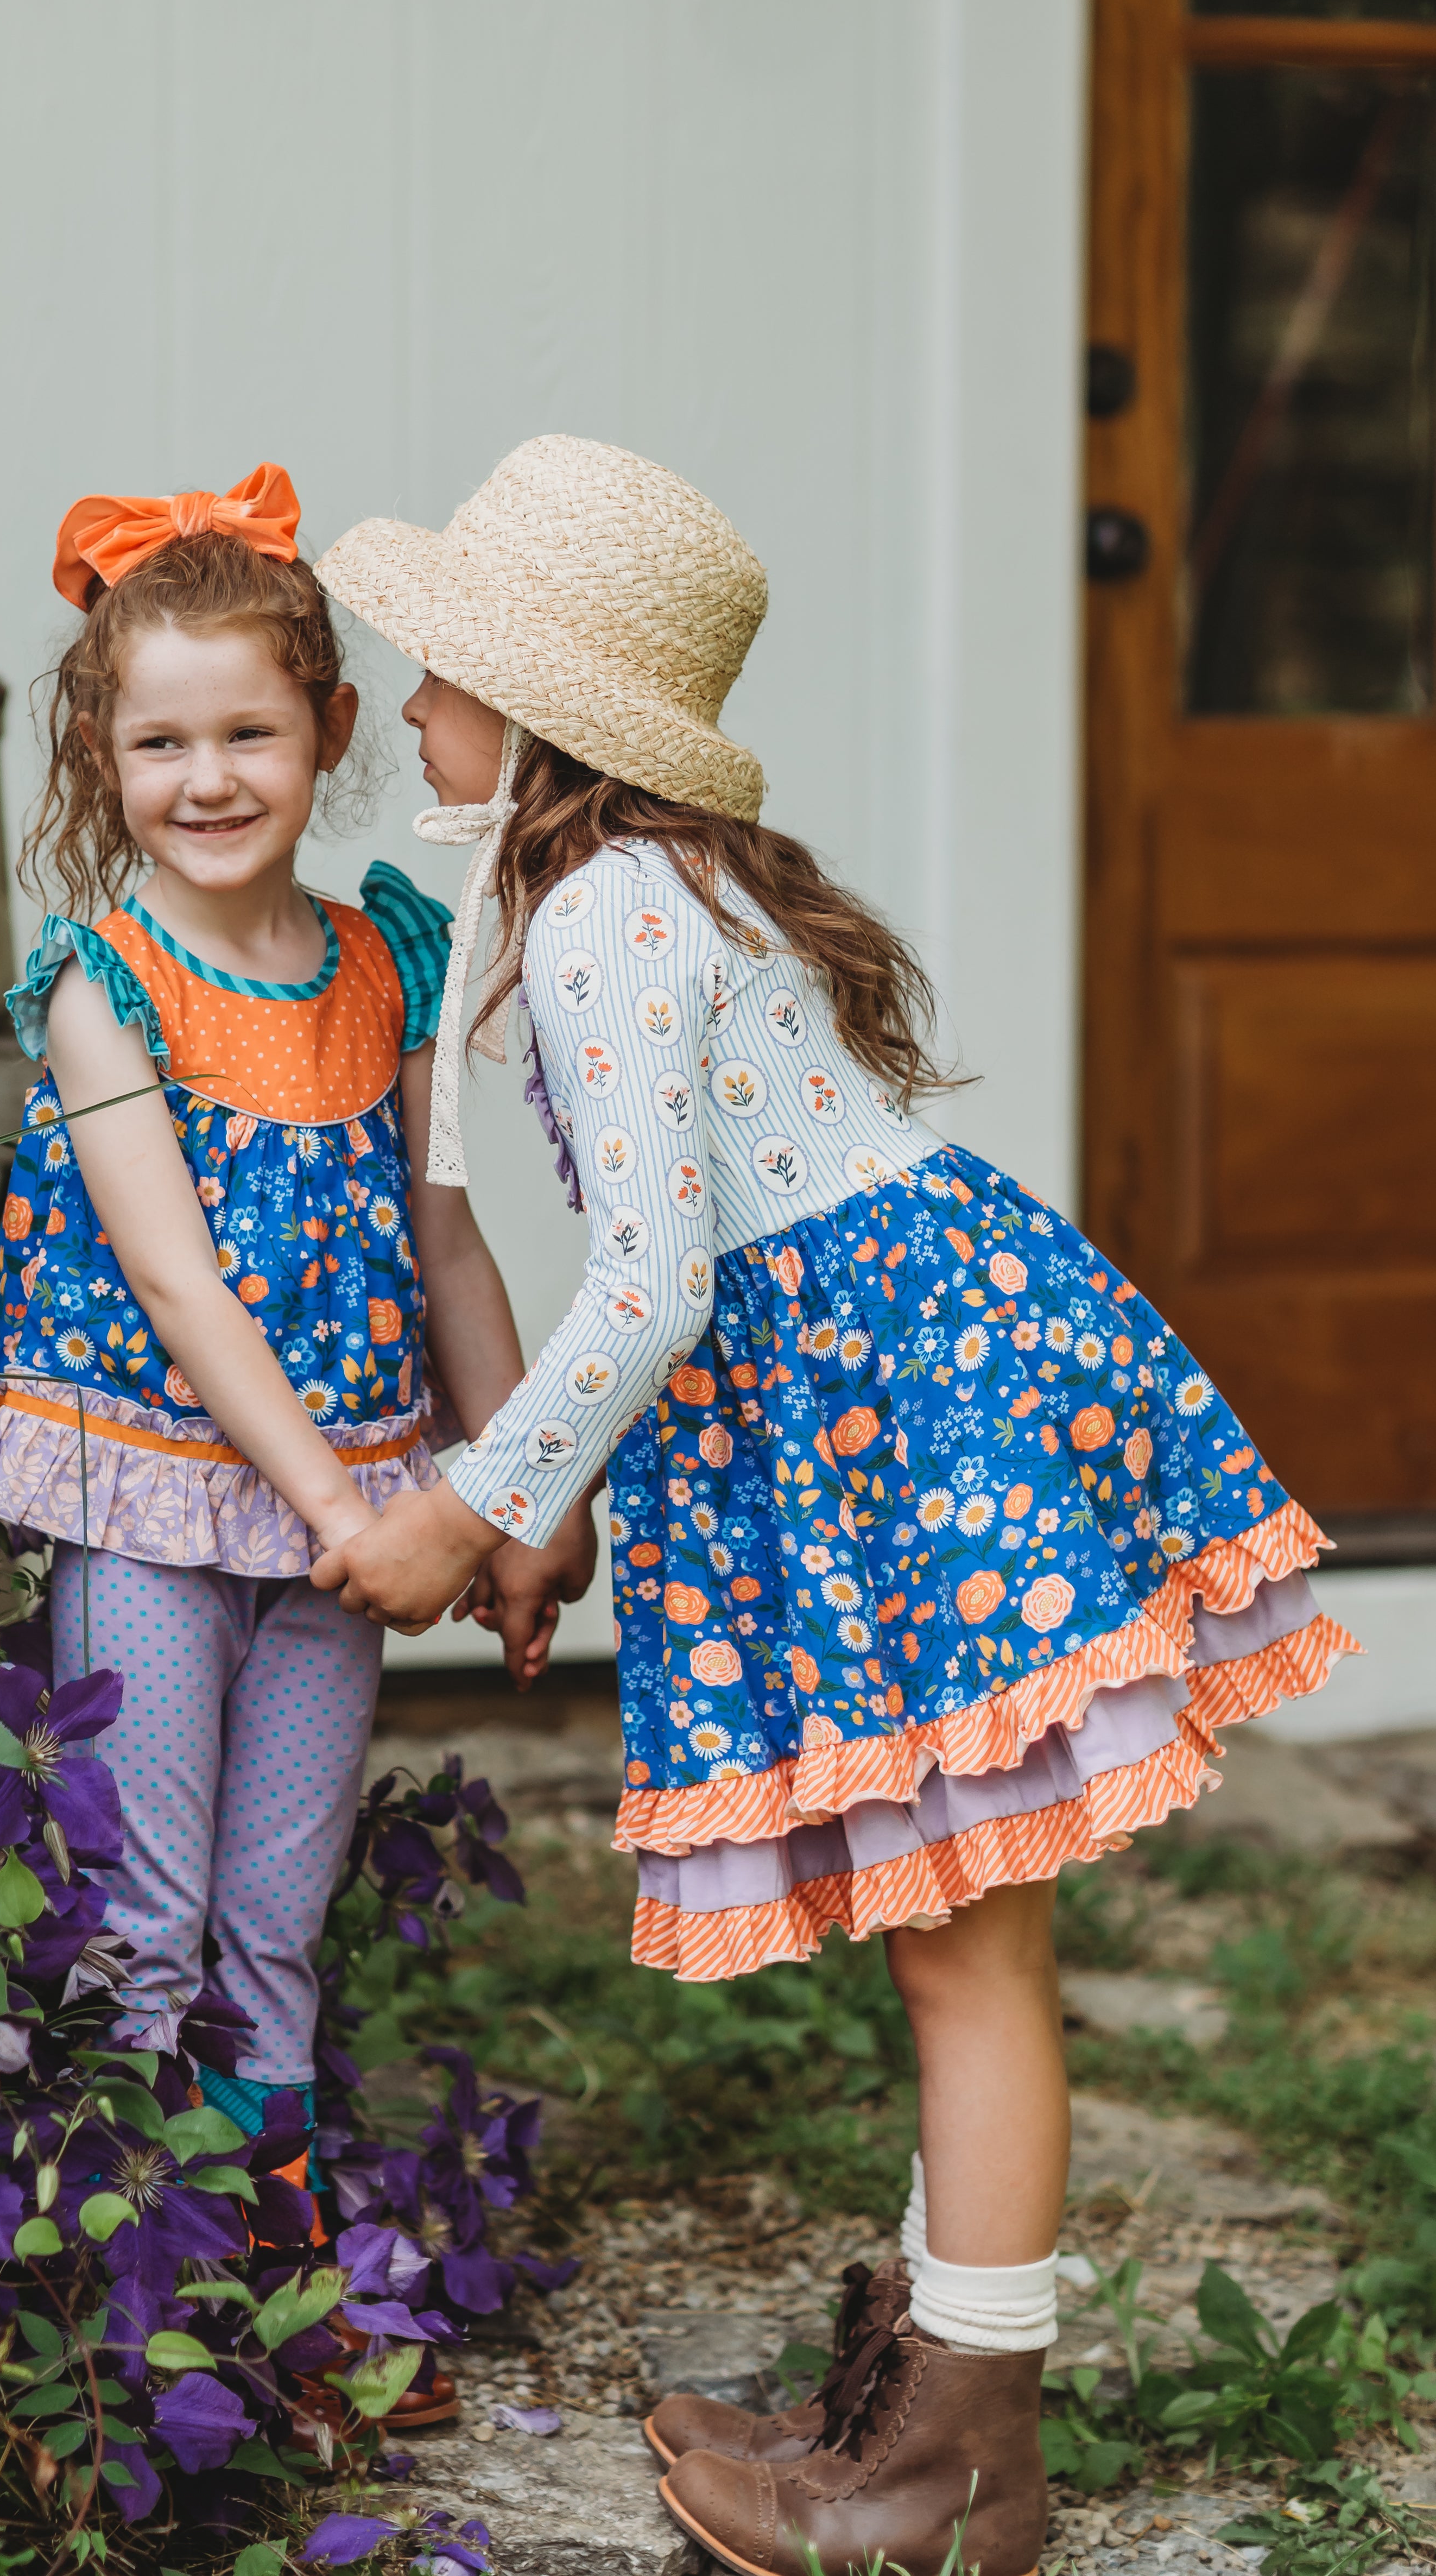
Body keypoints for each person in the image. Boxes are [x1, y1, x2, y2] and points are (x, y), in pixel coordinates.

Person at [309, 435, 1359, 2576]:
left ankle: (957, 2476)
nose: (406, 706)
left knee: (969, 1954)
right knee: (959, 1934)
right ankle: (917, 2396)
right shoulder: (655, 885)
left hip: (905, 1439)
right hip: (915, 1400)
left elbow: (647, 1280)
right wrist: (552, 1499)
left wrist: (457, 1505)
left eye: (434, 672)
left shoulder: (602, 908)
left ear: (530, 711)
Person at [0, 466, 554, 2298]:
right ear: (97, 749)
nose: (204, 778)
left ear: (332, 733)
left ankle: (263, 2278)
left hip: (351, 1515)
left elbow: (448, 1244)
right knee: (144, 1915)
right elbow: (175, 1277)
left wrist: (517, 1499)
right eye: (157, 741)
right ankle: (127, 2290)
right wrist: (349, 1513)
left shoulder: (388, 963)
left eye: (247, 731)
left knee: (273, 1913)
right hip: (155, 1489)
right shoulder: (98, 981)